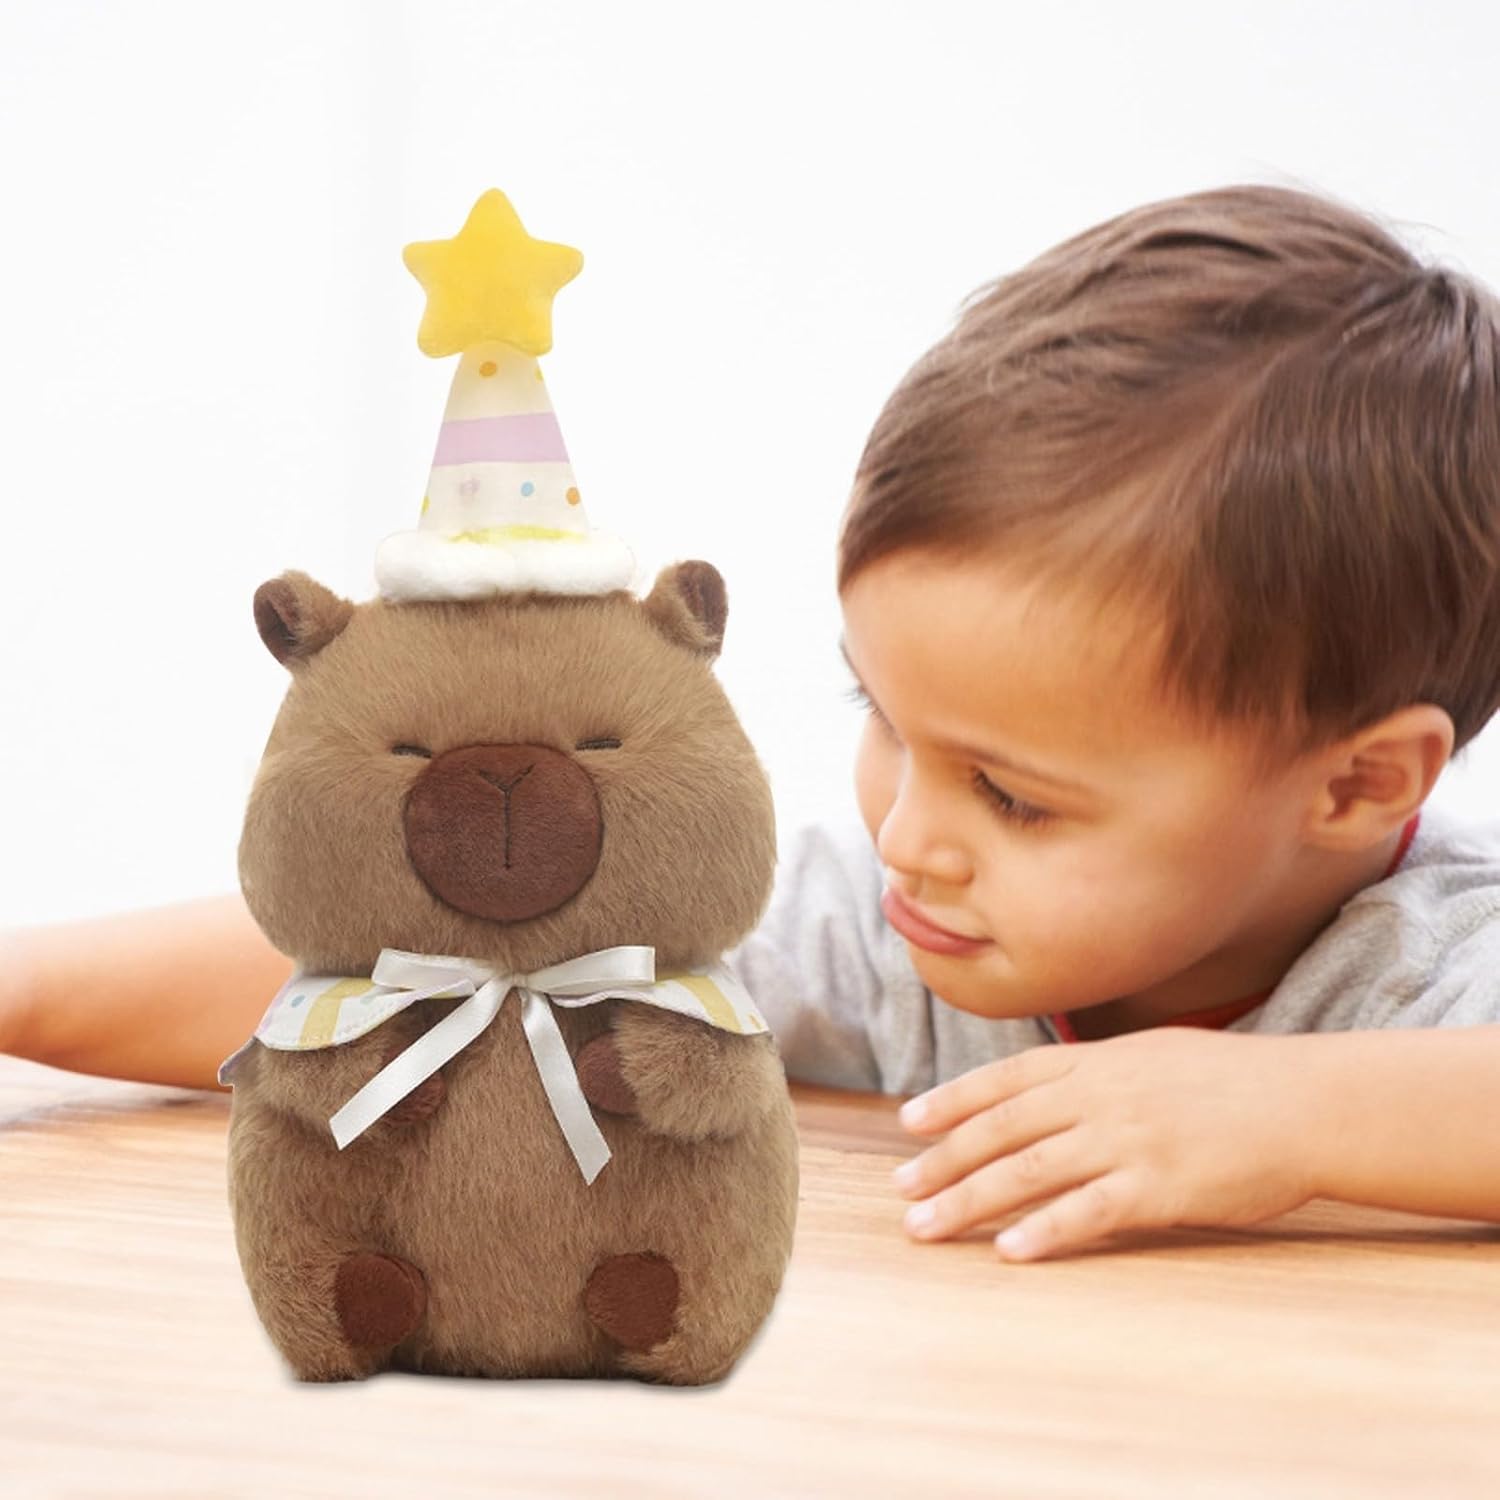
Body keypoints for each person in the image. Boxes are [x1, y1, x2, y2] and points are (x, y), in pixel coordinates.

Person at [5, 183, 1499, 1264]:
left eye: (1016, 797)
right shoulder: (890, 934)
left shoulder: (1436, 968)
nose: (910, 835)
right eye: (883, 718)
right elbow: (431, 954)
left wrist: (1287, 1115)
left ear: (1359, 785)